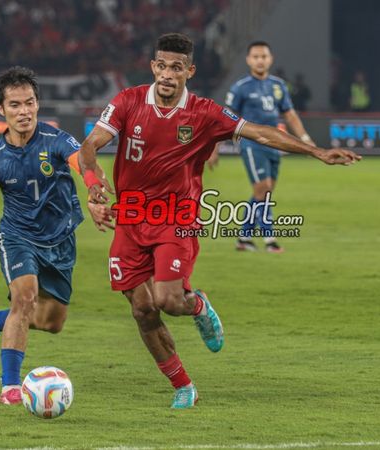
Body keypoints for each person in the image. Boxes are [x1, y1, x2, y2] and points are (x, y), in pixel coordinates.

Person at [78, 33, 360, 409]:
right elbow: (89, 146)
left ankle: (198, 306)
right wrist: (94, 184)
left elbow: (261, 132)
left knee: (168, 300)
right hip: (130, 219)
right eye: (162, 66)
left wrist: (316, 151)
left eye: (176, 68)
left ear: (188, 71)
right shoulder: (129, 101)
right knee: (142, 310)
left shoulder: (204, 112)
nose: (167, 74)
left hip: (176, 217)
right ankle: (183, 386)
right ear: (153, 67)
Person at [0, 66, 111, 405]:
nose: (24, 112)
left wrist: (93, 192)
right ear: (1, 110)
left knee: (51, 322)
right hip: (18, 237)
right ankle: (10, 388)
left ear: (38, 104)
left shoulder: (56, 140)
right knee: (25, 298)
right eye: (15, 105)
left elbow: (84, 162)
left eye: (29, 103)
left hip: (60, 238)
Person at [224, 41, 316, 253]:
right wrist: (214, 146)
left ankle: (244, 238)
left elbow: (290, 114)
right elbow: (227, 116)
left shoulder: (278, 85)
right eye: (255, 56)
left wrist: (304, 137)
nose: (260, 60)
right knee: (263, 191)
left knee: (263, 192)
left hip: (274, 145)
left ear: (270, 59)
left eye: (263, 56)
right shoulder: (241, 87)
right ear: (248, 60)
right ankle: (269, 239)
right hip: (252, 144)